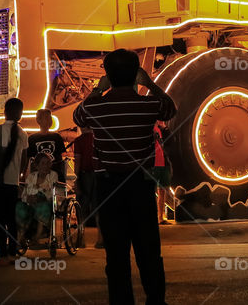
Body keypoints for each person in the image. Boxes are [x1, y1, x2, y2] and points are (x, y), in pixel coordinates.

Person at [72, 49, 176, 305]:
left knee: (116, 257)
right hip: (140, 187)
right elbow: (170, 109)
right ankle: (155, 300)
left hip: (109, 188)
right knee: (149, 253)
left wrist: (98, 89)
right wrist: (149, 83)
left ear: (107, 75)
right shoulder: (148, 104)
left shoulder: (96, 106)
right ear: (135, 75)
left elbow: (78, 116)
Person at [0, 97, 29, 262]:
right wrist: (19, 175)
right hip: (12, 182)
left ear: (5, 112)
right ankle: (12, 250)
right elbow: (25, 159)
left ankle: (1, 251)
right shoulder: (23, 134)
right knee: (11, 217)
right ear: (20, 114)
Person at [72, 124, 103, 248]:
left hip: (85, 175)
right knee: (98, 208)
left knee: (82, 208)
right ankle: (100, 239)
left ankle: (81, 239)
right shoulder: (98, 138)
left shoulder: (79, 140)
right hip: (98, 174)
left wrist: (76, 179)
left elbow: (77, 161)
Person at [16, 153, 57, 244]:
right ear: (37, 166)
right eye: (43, 163)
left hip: (45, 202)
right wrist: (29, 198)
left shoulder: (53, 175)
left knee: (41, 205)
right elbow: (25, 193)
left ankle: (37, 236)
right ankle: (20, 236)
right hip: (30, 202)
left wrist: (38, 193)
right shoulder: (31, 177)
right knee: (19, 207)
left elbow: (51, 192)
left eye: (48, 163)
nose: (46, 166)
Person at [26, 109, 76, 182]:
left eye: (50, 118)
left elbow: (60, 158)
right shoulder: (32, 139)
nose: (49, 121)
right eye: (46, 118)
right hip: (39, 177)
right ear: (38, 120)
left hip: (54, 175)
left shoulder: (57, 137)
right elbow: (29, 158)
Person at [153, 121, 172, 225]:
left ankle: (160, 217)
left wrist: (165, 128)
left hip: (163, 162)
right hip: (153, 163)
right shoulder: (150, 129)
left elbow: (171, 141)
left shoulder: (161, 130)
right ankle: (154, 216)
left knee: (163, 190)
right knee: (152, 191)